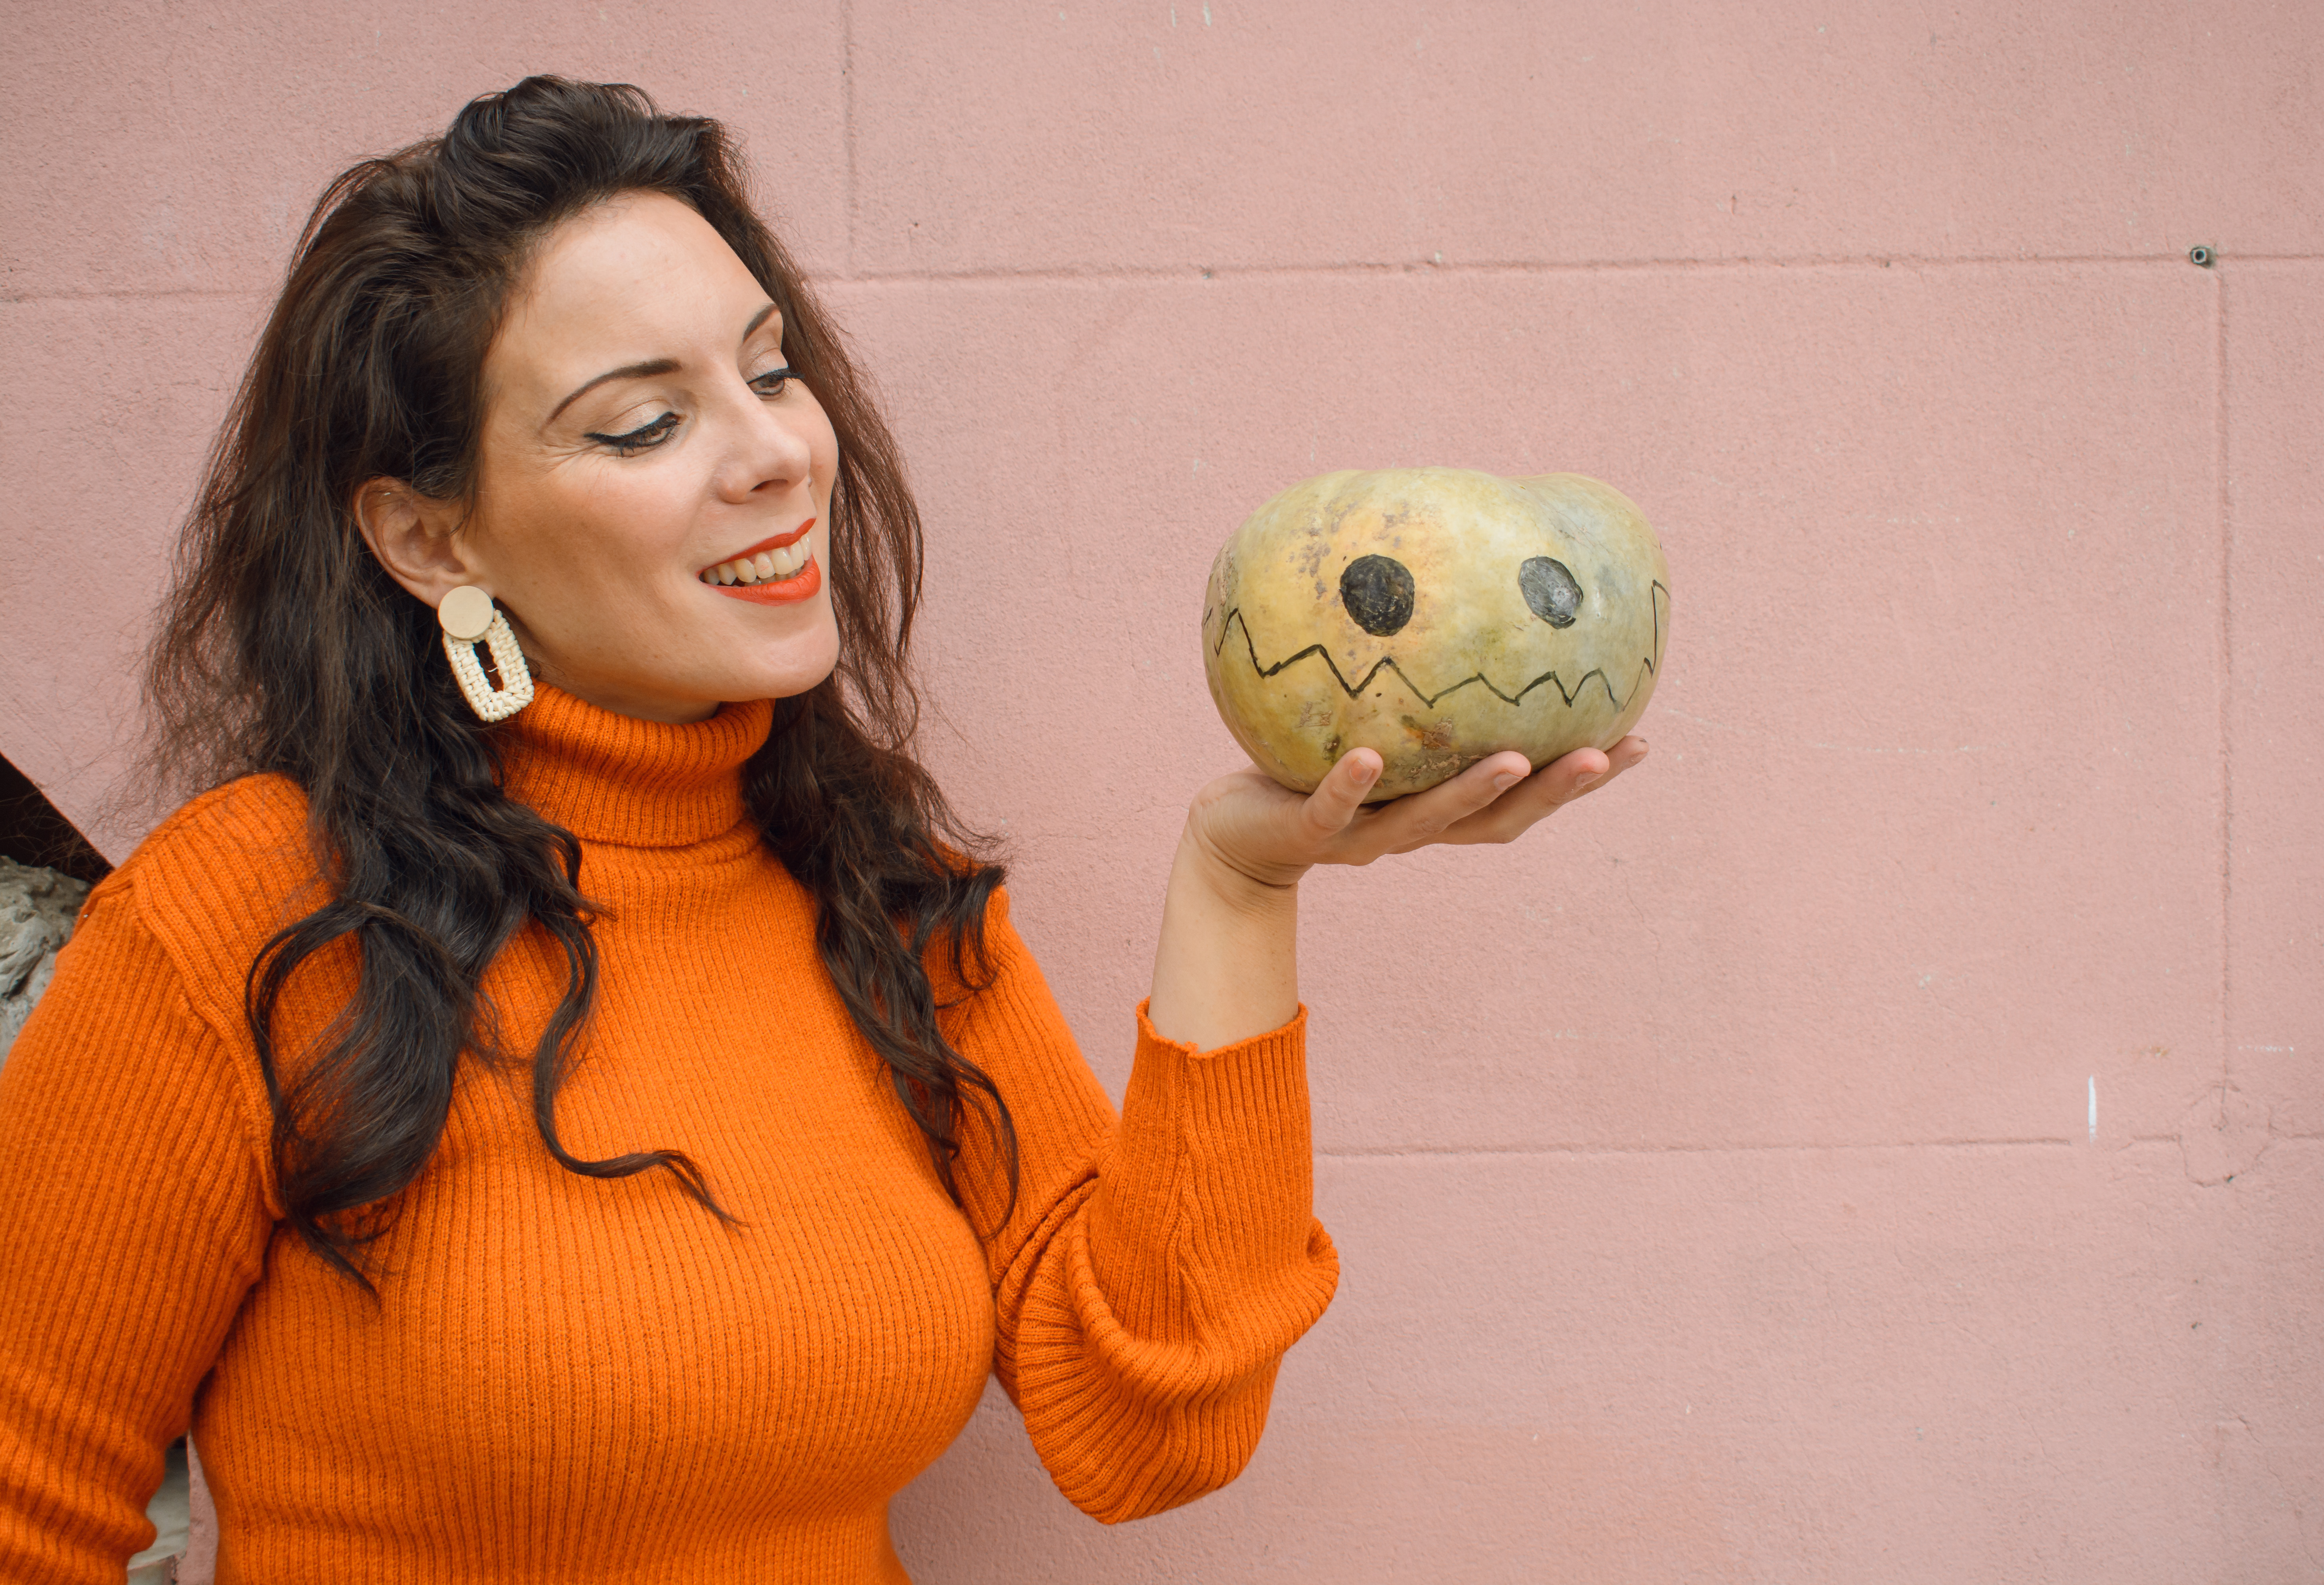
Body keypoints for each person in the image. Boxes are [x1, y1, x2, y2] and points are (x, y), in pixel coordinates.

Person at [0, 77, 1647, 1583]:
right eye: (644, 423)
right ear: (432, 538)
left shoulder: (886, 908)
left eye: (770, 365)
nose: (779, 451)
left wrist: (1239, 880)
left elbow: (1146, 1427)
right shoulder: (244, 915)